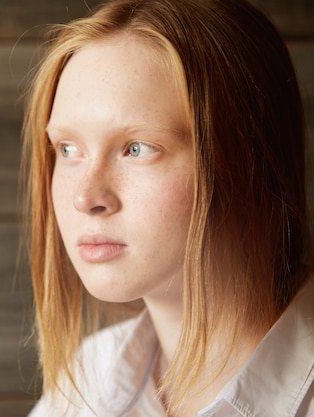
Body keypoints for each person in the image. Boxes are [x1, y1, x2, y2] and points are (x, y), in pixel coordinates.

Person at [20, 0, 314, 415]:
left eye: (137, 149)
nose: (85, 197)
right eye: (68, 149)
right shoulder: (87, 381)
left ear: (248, 162)